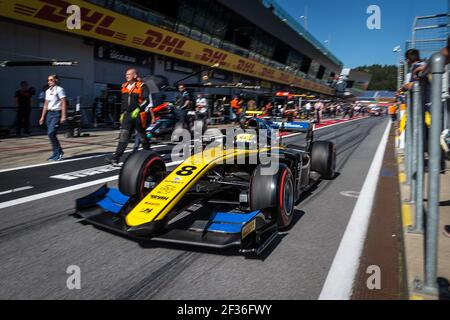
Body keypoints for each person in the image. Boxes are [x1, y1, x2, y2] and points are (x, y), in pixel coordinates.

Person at [106, 68, 153, 165]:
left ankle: (148, 153)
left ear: (135, 75)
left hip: (138, 115)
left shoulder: (142, 86)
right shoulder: (124, 86)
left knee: (142, 136)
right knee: (124, 136)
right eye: (126, 74)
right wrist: (122, 113)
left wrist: (138, 109)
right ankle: (116, 158)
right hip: (127, 115)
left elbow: (146, 100)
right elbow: (123, 102)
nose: (126, 76)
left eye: (129, 74)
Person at [39, 75, 67, 161]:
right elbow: (45, 105)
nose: (49, 81)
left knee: (51, 133)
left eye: (51, 80)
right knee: (50, 134)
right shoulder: (47, 91)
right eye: (48, 80)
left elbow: (63, 103)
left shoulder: (60, 89)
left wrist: (63, 115)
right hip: (49, 114)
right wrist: (42, 117)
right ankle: (56, 153)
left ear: (56, 80)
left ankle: (59, 152)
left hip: (56, 114)